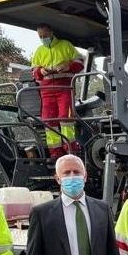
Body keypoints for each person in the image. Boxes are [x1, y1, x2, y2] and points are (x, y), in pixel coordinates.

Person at [31, 23, 84, 159]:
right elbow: (34, 71)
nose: (43, 38)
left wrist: (67, 66)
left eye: (45, 35)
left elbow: (80, 64)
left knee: (65, 118)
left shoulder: (65, 45)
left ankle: (71, 150)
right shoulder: (39, 51)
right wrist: (41, 71)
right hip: (46, 91)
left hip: (65, 88)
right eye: (40, 36)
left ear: (52, 33)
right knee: (49, 121)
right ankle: (55, 154)